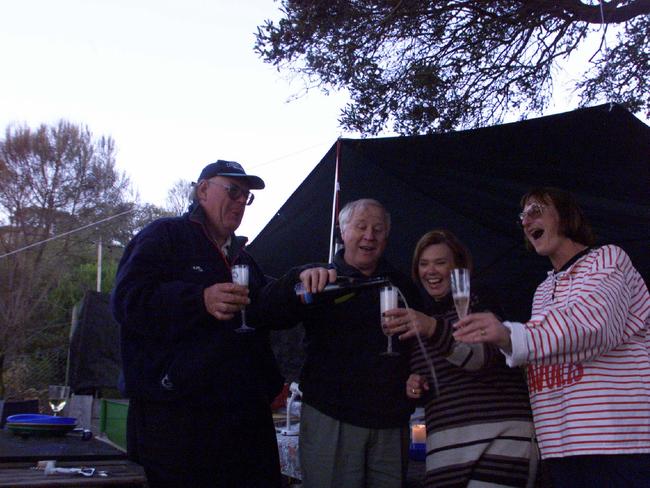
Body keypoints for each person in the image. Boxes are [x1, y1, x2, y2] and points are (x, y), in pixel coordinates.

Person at [453, 187, 650, 488]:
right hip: (559, 444)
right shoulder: (543, 292)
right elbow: (544, 352)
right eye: (523, 215)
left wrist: (510, 335)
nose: (526, 219)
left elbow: (592, 326)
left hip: (617, 441)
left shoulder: (608, 259)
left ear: (565, 216)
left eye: (536, 210)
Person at [111, 160, 284, 488]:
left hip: (242, 417)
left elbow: (266, 310)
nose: (239, 202)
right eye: (232, 191)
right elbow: (126, 301)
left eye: (245, 197)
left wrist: (301, 287)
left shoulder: (243, 259)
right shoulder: (165, 237)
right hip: (176, 416)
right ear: (203, 190)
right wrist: (199, 300)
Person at [265, 199, 421, 488]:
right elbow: (269, 312)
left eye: (378, 229)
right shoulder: (320, 280)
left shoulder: (403, 284)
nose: (369, 236)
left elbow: (422, 346)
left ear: (387, 235)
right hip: (331, 418)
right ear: (342, 230)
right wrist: (294, 281)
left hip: (391, 422)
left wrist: (418, 377)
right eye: (360, 227)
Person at [384, 229, 536, 488]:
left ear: (459, 269)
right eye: (423, 264)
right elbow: (438, 378)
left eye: (440, 263)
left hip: (498, 443)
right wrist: (415, 385)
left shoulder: (479, 302)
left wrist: (432, 327)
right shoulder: (424, 319)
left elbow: (478, 358)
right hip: (447, 455)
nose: (430, 271)